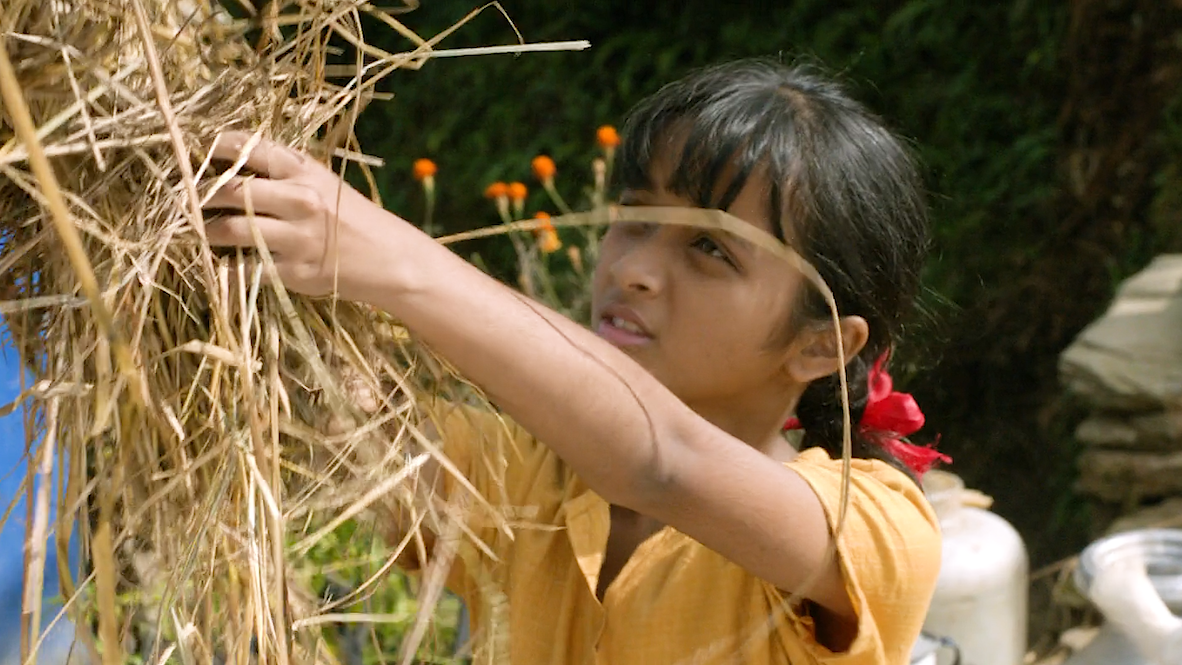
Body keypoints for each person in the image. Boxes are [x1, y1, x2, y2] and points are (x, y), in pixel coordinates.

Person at [202, 59, 944, 664]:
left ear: (821, 343)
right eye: (635, 219)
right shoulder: (526, 473)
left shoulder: (876, 525)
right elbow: (316, 408)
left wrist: (401, 261)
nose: (633, 268)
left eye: (710, 249)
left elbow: (662, 460)